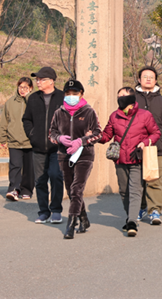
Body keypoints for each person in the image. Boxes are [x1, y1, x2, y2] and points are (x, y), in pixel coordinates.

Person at [102, 87, 161, 236]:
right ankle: (130, 216)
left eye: (123, 96)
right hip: (120, 160)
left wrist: (146, 142)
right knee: (124, 191)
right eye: (118, 96)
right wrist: (94, 136)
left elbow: (156, 132)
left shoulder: (145, 115)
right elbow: (106, 135)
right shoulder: (114, 116)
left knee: (135, 190)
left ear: (131, 97)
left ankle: (132, 222)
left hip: (137, 159)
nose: (120, 98)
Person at [49, 79, 102, 239]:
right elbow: (51, 133)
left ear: (81, 94)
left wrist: (82, 141)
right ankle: (84, 219)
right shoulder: (59, 112)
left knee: (77, 189)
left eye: (75, 93)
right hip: (64, 155)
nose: (71, 96)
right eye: (68, 93)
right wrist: (59, 139)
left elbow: (98, 133)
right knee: (71, 190)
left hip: (84, 155)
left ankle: (71, 224)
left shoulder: (89, 112)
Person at [134, 66, 162, 226]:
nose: (147, 79)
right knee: (137, 181)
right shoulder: (132, 99)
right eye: (144, 76)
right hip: (135, 148)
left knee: (154, 180)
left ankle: (154, 210)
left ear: (155, 81)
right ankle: (139, 208)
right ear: (139, 79)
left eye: (151, 77)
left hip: (156, 148)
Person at [22, 66, 65, 224]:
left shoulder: (62, 97)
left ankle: (56, 210)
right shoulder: (33, 98)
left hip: (57, 148)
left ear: (51, 81)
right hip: (38, 146)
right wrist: (32, 134)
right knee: (40, 180)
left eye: (41, 79)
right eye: (37, 79)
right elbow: (26, 119)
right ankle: (43, 212)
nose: (38, 82)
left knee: (55, 176)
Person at [0, 77, 34, 201]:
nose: (22, 90)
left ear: (31, 88)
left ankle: (27, 190)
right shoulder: (10, 102)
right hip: (14, 140)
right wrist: (2, 137)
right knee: (15, 166)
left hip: (30, 141)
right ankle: (13, 189)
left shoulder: (34, 101)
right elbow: (4, 121)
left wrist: (29, 98)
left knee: (29, 168)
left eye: (25, 87)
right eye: (20, 87)